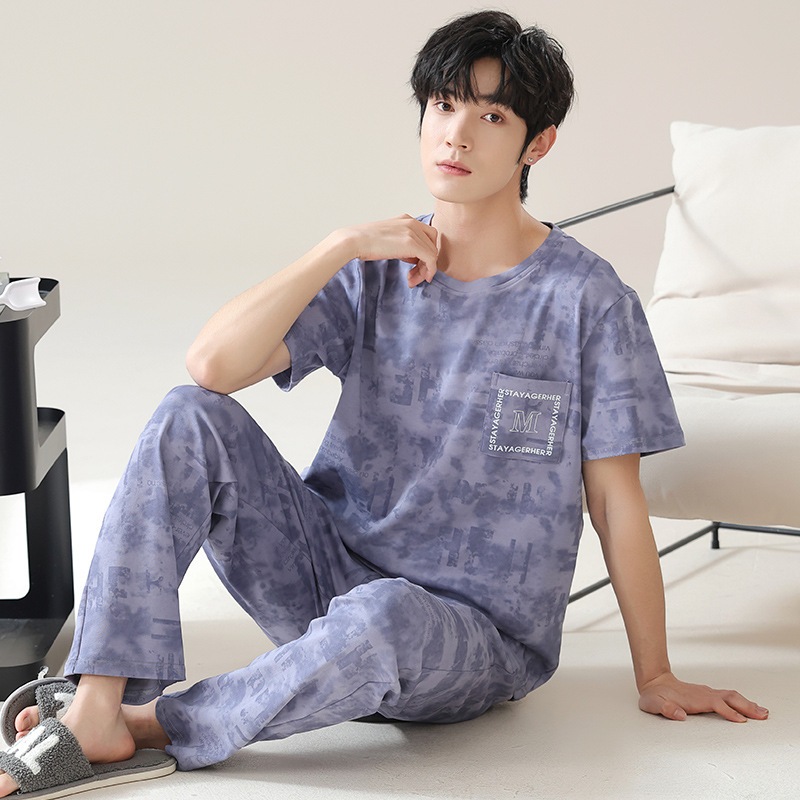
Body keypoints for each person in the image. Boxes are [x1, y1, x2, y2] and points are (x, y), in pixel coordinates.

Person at [0, 9, 768, 798]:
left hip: (473, 636)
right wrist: (338, 246)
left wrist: (656, 673)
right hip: (326, 574)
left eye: (490, 116)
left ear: (538, 144)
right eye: (443, 105)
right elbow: (211, 367)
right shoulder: (379, 268)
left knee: (384, 615)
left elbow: (613, 499)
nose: (455, 135)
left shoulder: (589, 301)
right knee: (185, 415)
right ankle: (96, 706)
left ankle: (156, 724)